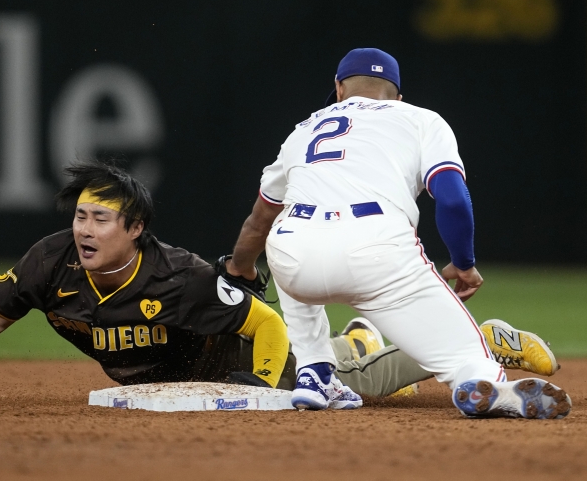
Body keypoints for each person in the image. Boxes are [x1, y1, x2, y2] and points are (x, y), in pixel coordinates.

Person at [0, 161, 559, 404]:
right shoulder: (48, 263)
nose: (84, 229)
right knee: (353, 357)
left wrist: (268, 400)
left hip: (254, 359)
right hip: (193, 376)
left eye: (100, 219)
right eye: (80, 215)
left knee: (365, 383)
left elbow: (262, 323)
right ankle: (356, 334)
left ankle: (484, 342)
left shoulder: (178, 274)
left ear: (135, 227)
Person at [225, 48, 572, 419]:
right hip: (377, 249)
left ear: (339, 89)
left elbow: (260, 221)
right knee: (468, 359)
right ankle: (478, 380)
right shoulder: (421, 119)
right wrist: (464, 263)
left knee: (288, 229)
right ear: (397, 96)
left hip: (293, 252)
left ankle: (314, 371)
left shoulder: (303, 130)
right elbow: (453, 201)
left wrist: (238, 268)